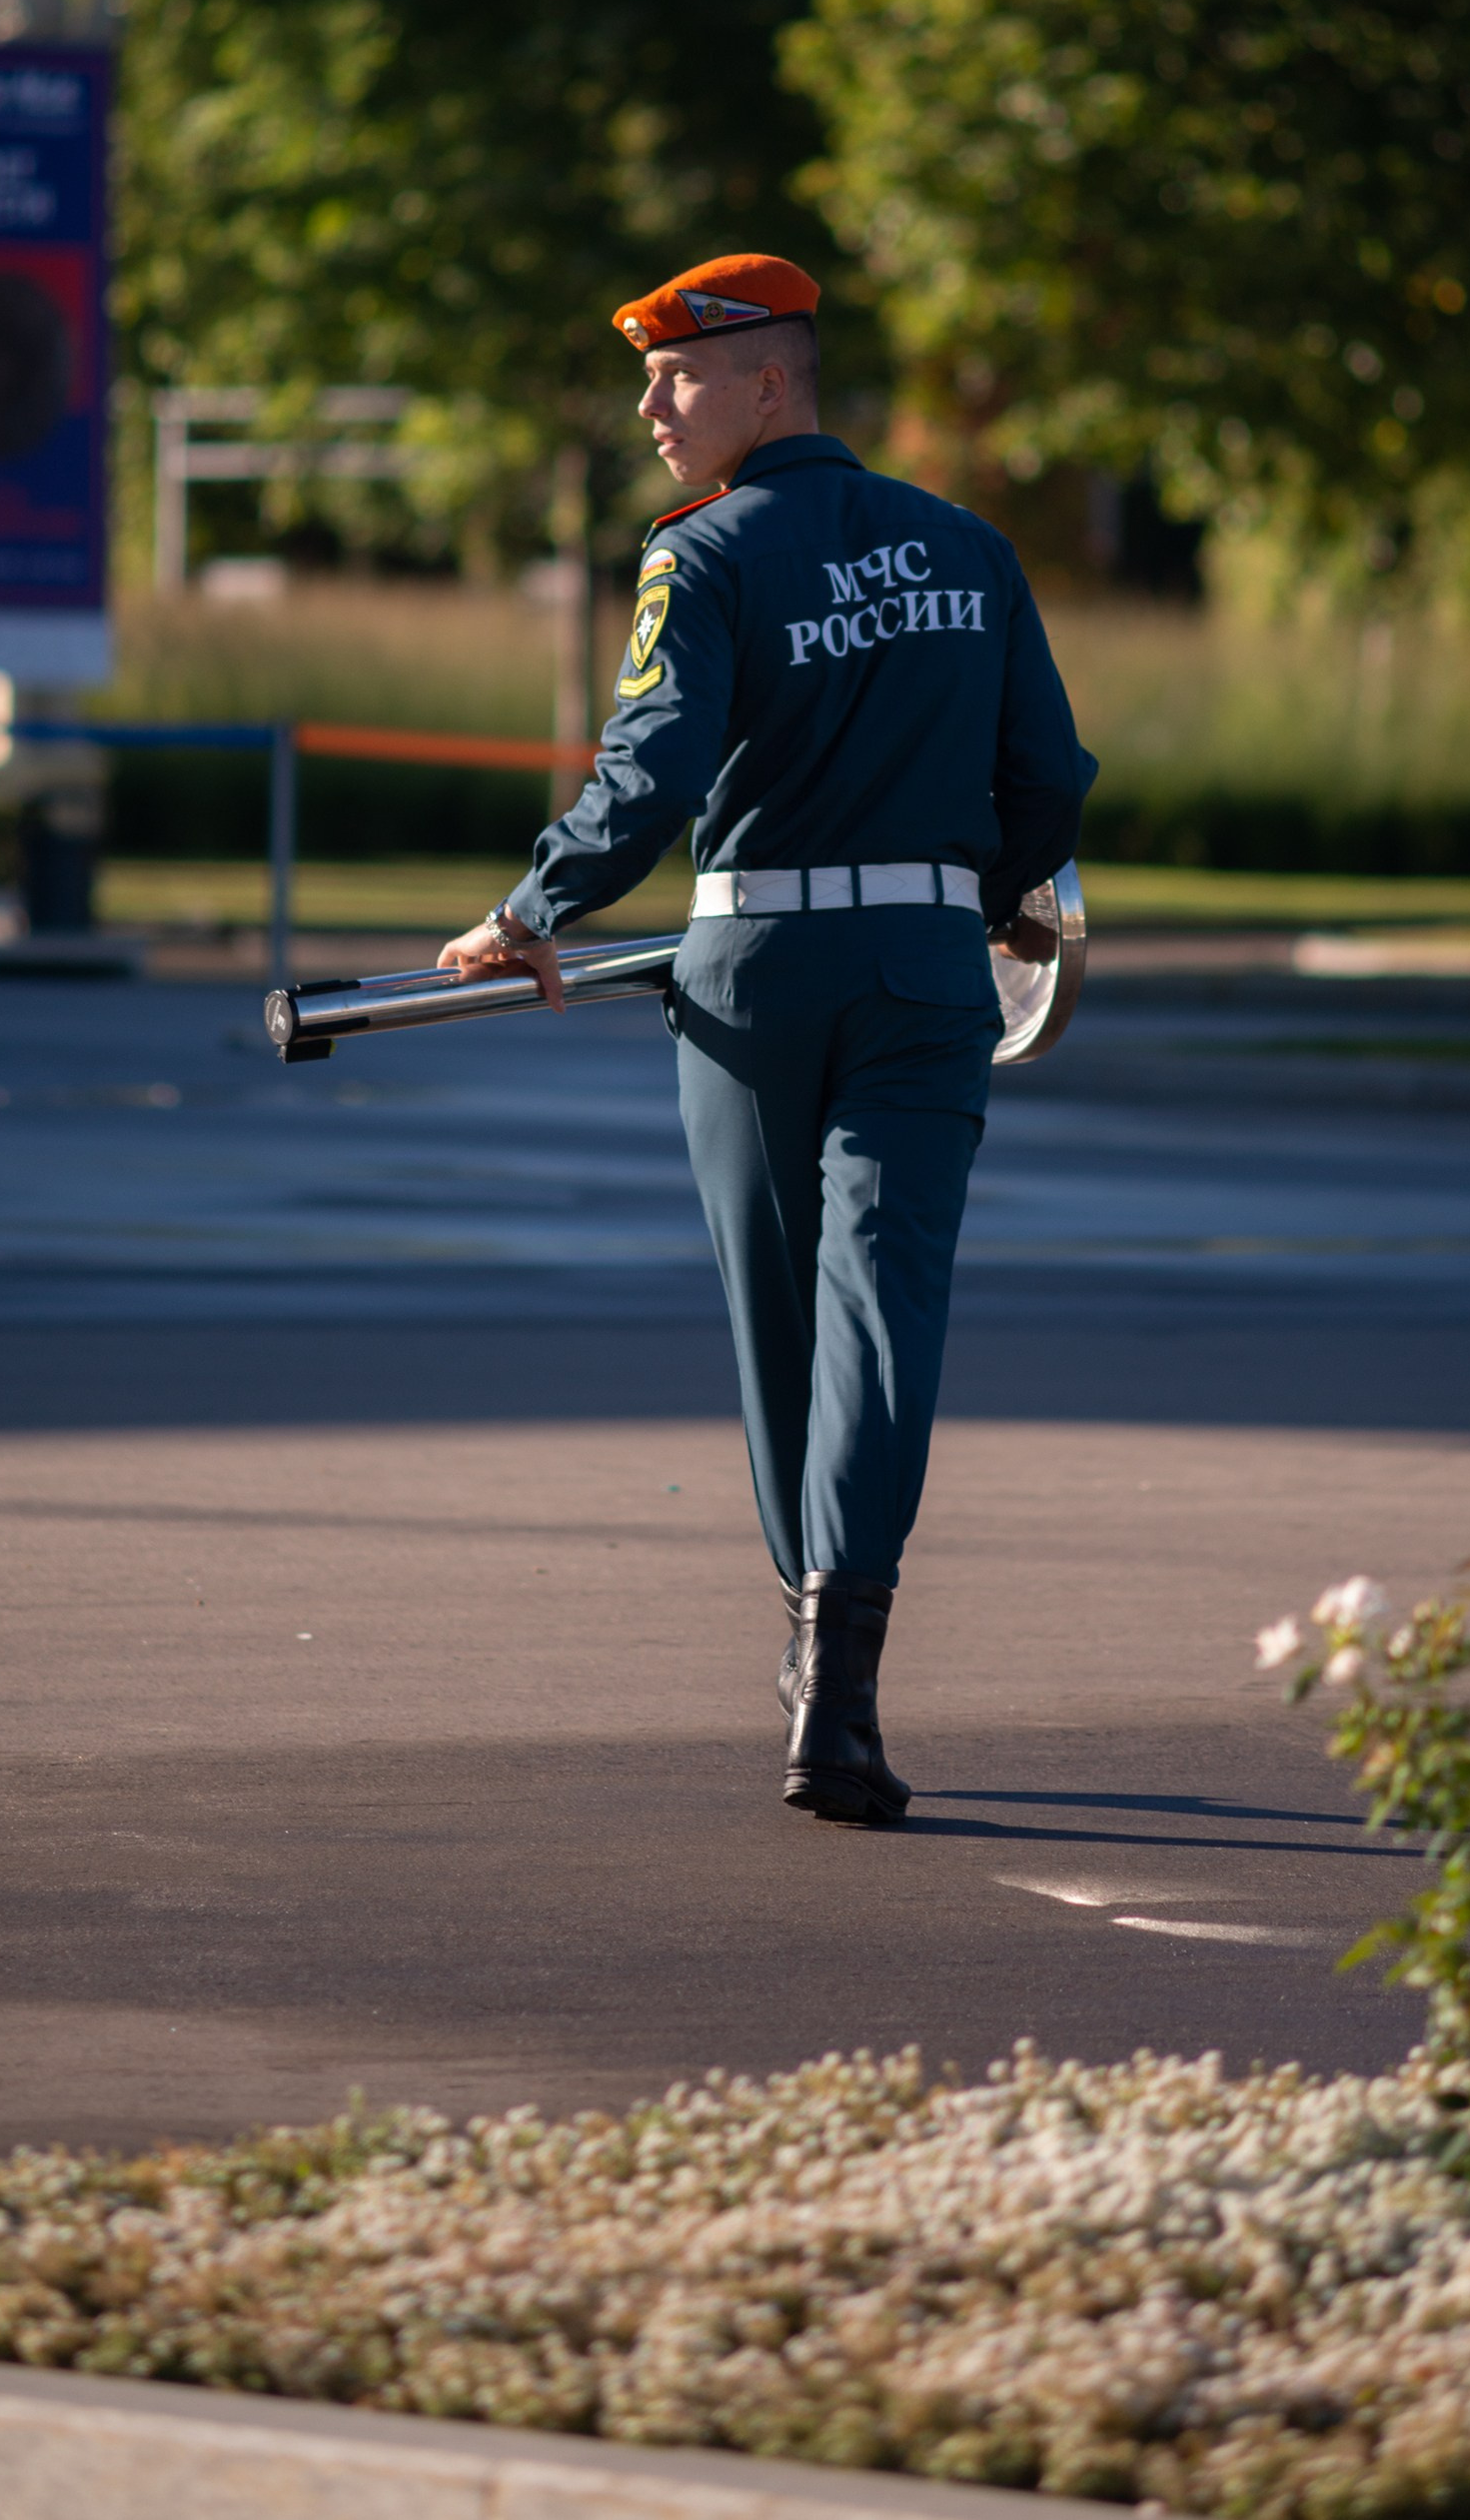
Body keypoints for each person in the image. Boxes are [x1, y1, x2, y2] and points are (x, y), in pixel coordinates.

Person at [439, 254, 1096, 1824]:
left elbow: (652, 767)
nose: (653, 406)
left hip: (751, 974)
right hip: (931, 974)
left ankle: (811, 1674)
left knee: (783, 1331)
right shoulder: (972, 548)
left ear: (770, 381)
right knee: (885, 1317)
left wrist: (537, 908)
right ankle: (843, 1700)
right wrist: (999, 895)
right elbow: (1052, 779)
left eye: (678, 374)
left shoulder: (707, 554)